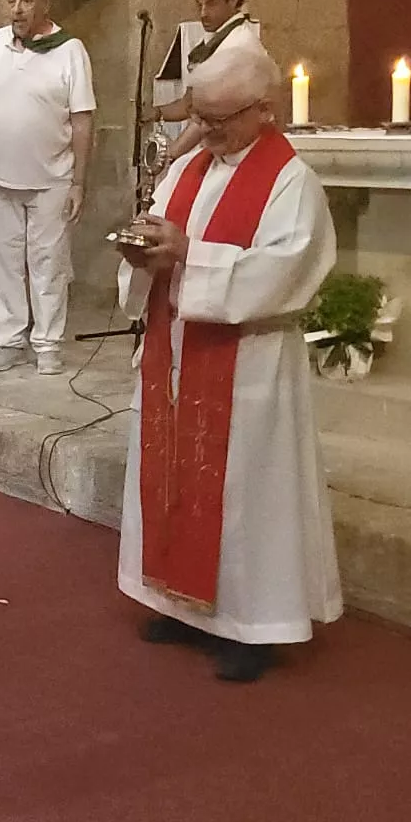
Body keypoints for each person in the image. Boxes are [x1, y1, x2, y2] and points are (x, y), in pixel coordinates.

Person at [116, 44, 341, 684]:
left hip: (249, 360)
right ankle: (177, 603)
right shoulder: (188, 168)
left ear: (263, 109)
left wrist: (190, 254)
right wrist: (142, 253)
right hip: (177, 348)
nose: (206, 131)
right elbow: (160, 235)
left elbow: (286, 270)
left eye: (220, 119)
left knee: (246, 493)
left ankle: (251, 627)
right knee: (173, 478)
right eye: (201, 116)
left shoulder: (291, 181)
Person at [0, 0, 95, 378]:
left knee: (48, 264)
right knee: (4, 262)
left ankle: (47, 343)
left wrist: (79, 181)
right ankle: (9, 340)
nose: (17, 10)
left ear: (45, 4)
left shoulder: (70, 50)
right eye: (11, 1)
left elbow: (82, 119)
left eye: (26, 1)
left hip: (52, 178)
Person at [151, 0, 268, 166]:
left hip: (236, 152)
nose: (203, 13)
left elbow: (210, 114)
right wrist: (154, 113)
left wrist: (170, 156)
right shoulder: (217, 41)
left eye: (211, 3)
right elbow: (190, 103)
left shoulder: (238, 47)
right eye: (199, 5)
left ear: (233, 0)